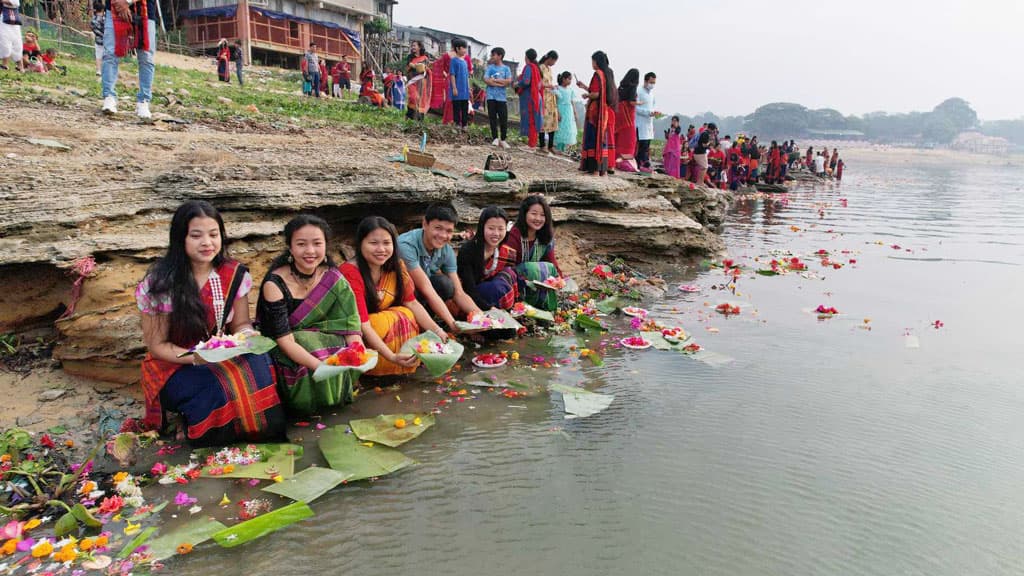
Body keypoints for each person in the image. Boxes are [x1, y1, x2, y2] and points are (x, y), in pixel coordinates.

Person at [136, 200, 285, 446]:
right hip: (175, 363)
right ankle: (206, 436)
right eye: (196, 235)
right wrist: (196, 358)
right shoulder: (160, 284)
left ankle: (260, 436)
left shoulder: (233, 274)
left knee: (260, 363)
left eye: (213, 234)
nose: (207, 243)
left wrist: (247, 338)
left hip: (221, 352)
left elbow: (241, 324)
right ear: (180, 238)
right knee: (215, 384)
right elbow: (157, 345)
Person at [256, 215, 363, 414]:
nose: (310, 251)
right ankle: (305, 406)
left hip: (323, 345)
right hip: (284, 348)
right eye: (301, 244)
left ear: (326, 246)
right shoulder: (275, 283)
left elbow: (349, 324)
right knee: (306, 341)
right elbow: (284, 340)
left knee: (341, 347)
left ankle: (336, 402)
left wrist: (358, 352)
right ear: (290, 247)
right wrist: (321, 367)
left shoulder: (332, 277)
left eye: (317, 243)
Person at [341, 216, 447, 376]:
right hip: (357, 335)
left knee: (406, 313)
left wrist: (438, 332)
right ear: (360, 244)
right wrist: (391, 356)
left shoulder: (396, 267)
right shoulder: (350, 273)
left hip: (379, 334)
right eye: (373, 243)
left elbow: (413, 304)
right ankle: (377, 368)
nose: (381, 249)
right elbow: (362, 324)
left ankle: (402, 364)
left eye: (386, 243)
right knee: (382, 321)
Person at [398, 203, 482, 330]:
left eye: (449, 231)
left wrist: (483, 318)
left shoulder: (446, 251)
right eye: (438, 228)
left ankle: (427, 321)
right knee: (419, 288)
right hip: (402, 294)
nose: (443, 235)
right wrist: (453, 324)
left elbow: (459, 293)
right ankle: (421, 324)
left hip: (423, 294)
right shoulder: (406, 245)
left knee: (446, 285)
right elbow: (426, 288)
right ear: (425, 224)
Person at [503, 195, 563, 311]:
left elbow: (551, 263)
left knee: (548, 269)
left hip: (536, 282)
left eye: (542, 215)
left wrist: (560, 280)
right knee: (533, 268)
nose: (538, 218)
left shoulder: (545, 237)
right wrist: (526, 278)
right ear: (525, 214)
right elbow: (507, 267)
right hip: (515, 282)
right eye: (534, 214)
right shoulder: (514, 235)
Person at [100, 0, 157, 118]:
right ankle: (109, 97)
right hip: (114, 7)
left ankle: (144, 101)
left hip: (145, 10)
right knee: (110, 53)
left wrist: (127, 1)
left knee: (146, 57)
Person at [457, 206, 519, 311]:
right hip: (469, 299)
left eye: (500, 229)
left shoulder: (504, 250)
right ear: (482, 227)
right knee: (496, 288)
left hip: (492, 293)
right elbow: (468, 289)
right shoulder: (468, 251)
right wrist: (489, 308)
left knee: (510, 273)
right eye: (491, 228)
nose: (496, 234)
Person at [578, 50, 617, 176]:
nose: (592, 63)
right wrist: (585, 87)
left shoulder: (597, 74)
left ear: (596, 61)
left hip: (595, 112)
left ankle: (594, 169)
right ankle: (602, 170)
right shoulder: (608, 74)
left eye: (592, 61)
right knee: (602, 139)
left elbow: (596, 94)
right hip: (604, 111)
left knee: (593, 138)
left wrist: (586, 95)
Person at [484, 46, 512, 147]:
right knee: (492, 118)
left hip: (502, 97)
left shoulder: (506, 68)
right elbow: (486, 80)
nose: (492, 57)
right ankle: (495, 138)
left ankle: (503, 139)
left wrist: (494, 81)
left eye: (494, 55)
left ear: (500, 56)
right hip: (491, 96)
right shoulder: (490, 68)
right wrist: (500, 83)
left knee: (503, 118)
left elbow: (508, 81)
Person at [516, 48, 543, 148]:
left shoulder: (529, 67)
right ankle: (533, 143)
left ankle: (531, 144)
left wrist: (517, 83)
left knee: (531, 119)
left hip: (530, 96)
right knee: (534, 119)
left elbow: (526, 81)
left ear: (526, 57)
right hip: (536, 96)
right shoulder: (536, 67)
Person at [614, 68, 640, 171]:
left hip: (619, 117)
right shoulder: (633, 87)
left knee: (619, 139)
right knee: (629, 141)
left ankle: (616, 159)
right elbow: (631, 102)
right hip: (628, 119)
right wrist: (640, 103)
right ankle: (624, 162)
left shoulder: (621, 87)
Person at [635, 72, 658, 172]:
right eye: (651, 82)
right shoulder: (638, 91)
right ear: (645, 81)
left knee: (647, 145)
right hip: (640, 123)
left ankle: (645, 164)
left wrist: (655, 112)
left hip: (649, 123)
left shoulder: (652, 94)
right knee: (641, 146)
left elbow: (653, 106)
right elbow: (636, 108)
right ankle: (638, 164)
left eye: (654, 83)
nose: (652, 84)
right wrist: (648, 112)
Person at [539, 50, 559, 155]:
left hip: (551, 97)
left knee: (552, 120)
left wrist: (553, 87)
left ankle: (550, 145)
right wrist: (549, 86)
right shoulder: (541, 67)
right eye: (554, 61)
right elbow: (539, 84)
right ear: (550, 59)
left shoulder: (549, 69)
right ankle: (542, 144)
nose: (554, 64)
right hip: (544, 96)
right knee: (543, 120)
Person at [553, 71, 579, 152]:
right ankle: (558, 148)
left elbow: (572, 102)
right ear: (563, 79)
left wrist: (574, 112)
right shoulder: (558, 89)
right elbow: (555, 102)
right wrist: (557, 113)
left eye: (571, 79)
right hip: (561, 109)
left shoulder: (570, 90)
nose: (570, 81)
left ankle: (563, 148)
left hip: (569, 111)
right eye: (569, 79)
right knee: (560, 128)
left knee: (567, 128)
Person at [405, 41, 431, 120]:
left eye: (414, 46)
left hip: (422, 82)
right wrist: (416, 66)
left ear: (419, 47)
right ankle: (410, 115)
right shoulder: (410, 57)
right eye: (412, 46)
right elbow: (408, 65)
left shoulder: (425, 58)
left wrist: (424, 68)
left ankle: (419, 119)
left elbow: (428, 68)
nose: (413, 47)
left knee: (420, 100)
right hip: (412, 81)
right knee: (413, 97)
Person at [449, 38, 470, 129]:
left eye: (465, 48)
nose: (465, 50)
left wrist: (468, 88)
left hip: (465, 90)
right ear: (457, 49)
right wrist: (454, 88)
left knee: (465, 107)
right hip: (457, 89)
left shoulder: (465, 62)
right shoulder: (454, 61)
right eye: (463, 48)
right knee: (457, 107)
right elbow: (452, 75)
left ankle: (465, 124)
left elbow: (467, 76)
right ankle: (457, 124)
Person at [0, 0, 21, 71]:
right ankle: (4, 65)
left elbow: (15, 3)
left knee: (16, 43)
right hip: (2, 21)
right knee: (3, 42)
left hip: (11, 20)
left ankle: (20, 66)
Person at [89, 0, 103, 75]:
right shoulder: (105, 19)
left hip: (98, 40)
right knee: (107, 56)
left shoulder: (93, 20)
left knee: (98, 56)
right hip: (106, 40)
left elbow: (93, 29)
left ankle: (98, 70)